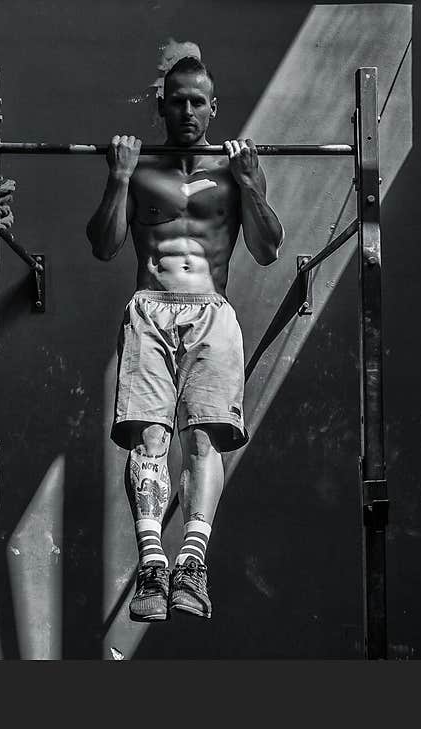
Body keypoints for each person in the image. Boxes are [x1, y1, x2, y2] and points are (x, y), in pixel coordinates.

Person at [86, 56, 284, 621]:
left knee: (202, 442)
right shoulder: (140, 167)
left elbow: (267, 249)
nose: (189, 111)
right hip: (150, 308)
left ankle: (191, 565)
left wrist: (252, 189)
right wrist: (119, 177)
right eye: (178, 100)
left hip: (212, 312)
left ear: (214, 107)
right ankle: (153, 564)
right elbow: (104, 246)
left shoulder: (233, 170)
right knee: (150, 437)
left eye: (199, 101)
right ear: (162, 107)